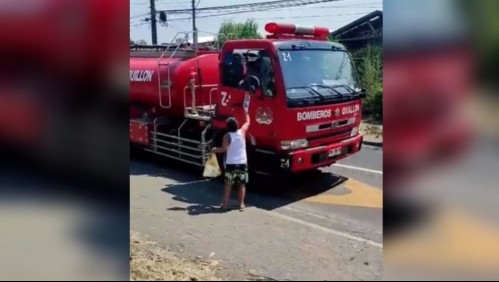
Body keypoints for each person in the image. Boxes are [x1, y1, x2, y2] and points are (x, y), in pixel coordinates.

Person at [211, 97, 250, 212]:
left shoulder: (227, 136)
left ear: (227, 127)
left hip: (231, 163)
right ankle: (241, 205)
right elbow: (248, 122)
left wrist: (214, 149)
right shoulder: (242, 132)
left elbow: (224, 149)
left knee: (228, 185)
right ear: (237, 125)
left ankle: (225, 205)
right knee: (241, 184)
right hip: (242, 162)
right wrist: (246, 111)